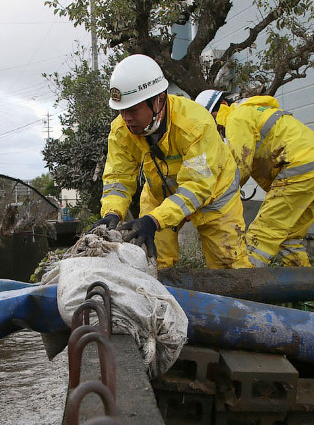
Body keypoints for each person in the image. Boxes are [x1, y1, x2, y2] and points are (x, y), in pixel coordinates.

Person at [94, 54, 250, 270]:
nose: (126, 117)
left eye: (133, 110)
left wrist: (154, 221)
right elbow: (117, 178)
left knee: (229, 266)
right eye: (121, 111)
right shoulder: (121, 130)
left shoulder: (195, 124)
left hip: (215, 194)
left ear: (158, 99)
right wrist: (112, 213)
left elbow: (197, 187)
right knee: (154, 263)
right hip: (161, 194)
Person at [198, 89, 314, 267]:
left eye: (211, 119)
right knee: (289, 238)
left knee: (259, 239)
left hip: (298, 170)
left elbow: (239, 166)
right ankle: (305, 289)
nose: (214, 127)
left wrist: (218, 196)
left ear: (222, 106)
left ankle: (245, 288)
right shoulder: (253, 111)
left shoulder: (236, 117)